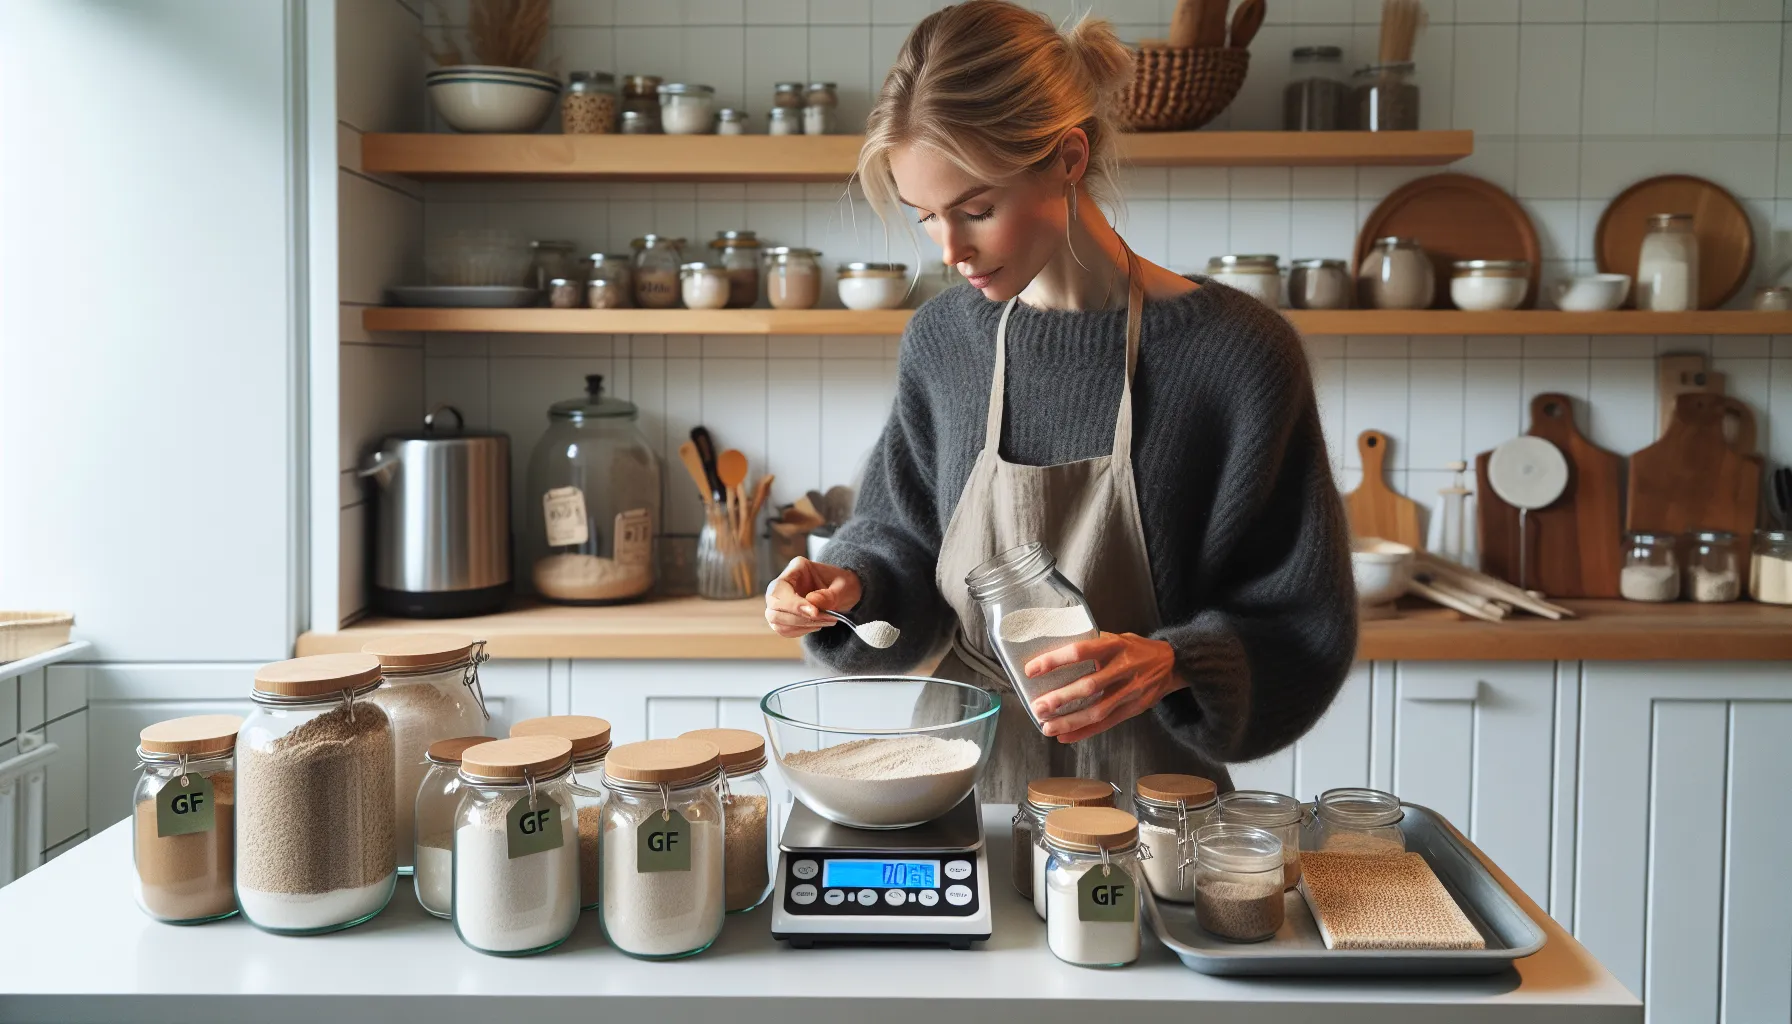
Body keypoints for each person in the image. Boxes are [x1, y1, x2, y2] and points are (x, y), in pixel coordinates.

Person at [763, 0, 1356, 802]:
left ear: (1068, 158)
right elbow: (904, 540)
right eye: (927, 218)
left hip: (1152, 803)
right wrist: (850, 588)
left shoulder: (1238, 356)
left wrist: (1177, 661)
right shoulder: (946, 341)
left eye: (977, 210)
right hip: (962, 781)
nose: (951, 251)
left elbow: (1298, 622)